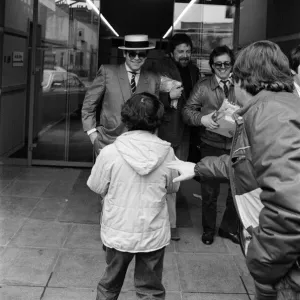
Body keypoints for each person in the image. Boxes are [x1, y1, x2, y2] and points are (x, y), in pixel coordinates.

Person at [168, 40, 300, 300]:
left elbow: (290, 206)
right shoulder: (279, 106)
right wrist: (198, 167)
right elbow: (245, 162)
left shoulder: (271, 114)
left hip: (284, 270)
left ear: (243, 80)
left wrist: (262, 262)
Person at [87, 92, 179, 300]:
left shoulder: (110, 152)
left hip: (118, 231)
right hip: (152, 232)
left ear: (126, 118)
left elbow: (96, 186)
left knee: (109, 286)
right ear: (158, 119)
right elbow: (173, 187)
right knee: (150, 290)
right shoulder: (168, 153)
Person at [182, 45, 239, 245]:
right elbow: (187, 111)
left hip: (236, 144)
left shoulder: (242, 84)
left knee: (236, 191)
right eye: (218, 64)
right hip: (210, 144)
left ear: (232, 64)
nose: (222, 68)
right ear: (212, 66)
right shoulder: (203, 86)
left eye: (226, 63)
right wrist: (202, 119)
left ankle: (228, 228)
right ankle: (208, 230)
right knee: (209, 192)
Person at [82, 34, 160, 155]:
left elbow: (154, 115)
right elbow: (89, 104)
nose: (137, 58)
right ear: (124, 54)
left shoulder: (153, 79)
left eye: (142, 54)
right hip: (109, 142)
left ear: (146, 56)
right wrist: (92, 133)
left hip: (141, 147)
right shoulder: (107, 72)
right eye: (132, 54)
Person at [155, 33, 199, 241]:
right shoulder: (159, 68)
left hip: (185, 130)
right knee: (163, 178)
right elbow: (149, 98)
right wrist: (166, 97)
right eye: (180, 51)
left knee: (176, 178)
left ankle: (170, 223)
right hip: (165, 129)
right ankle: (167, 225)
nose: (185, 55)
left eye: (188, 51)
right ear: (172, 53)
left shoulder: (194, 70)